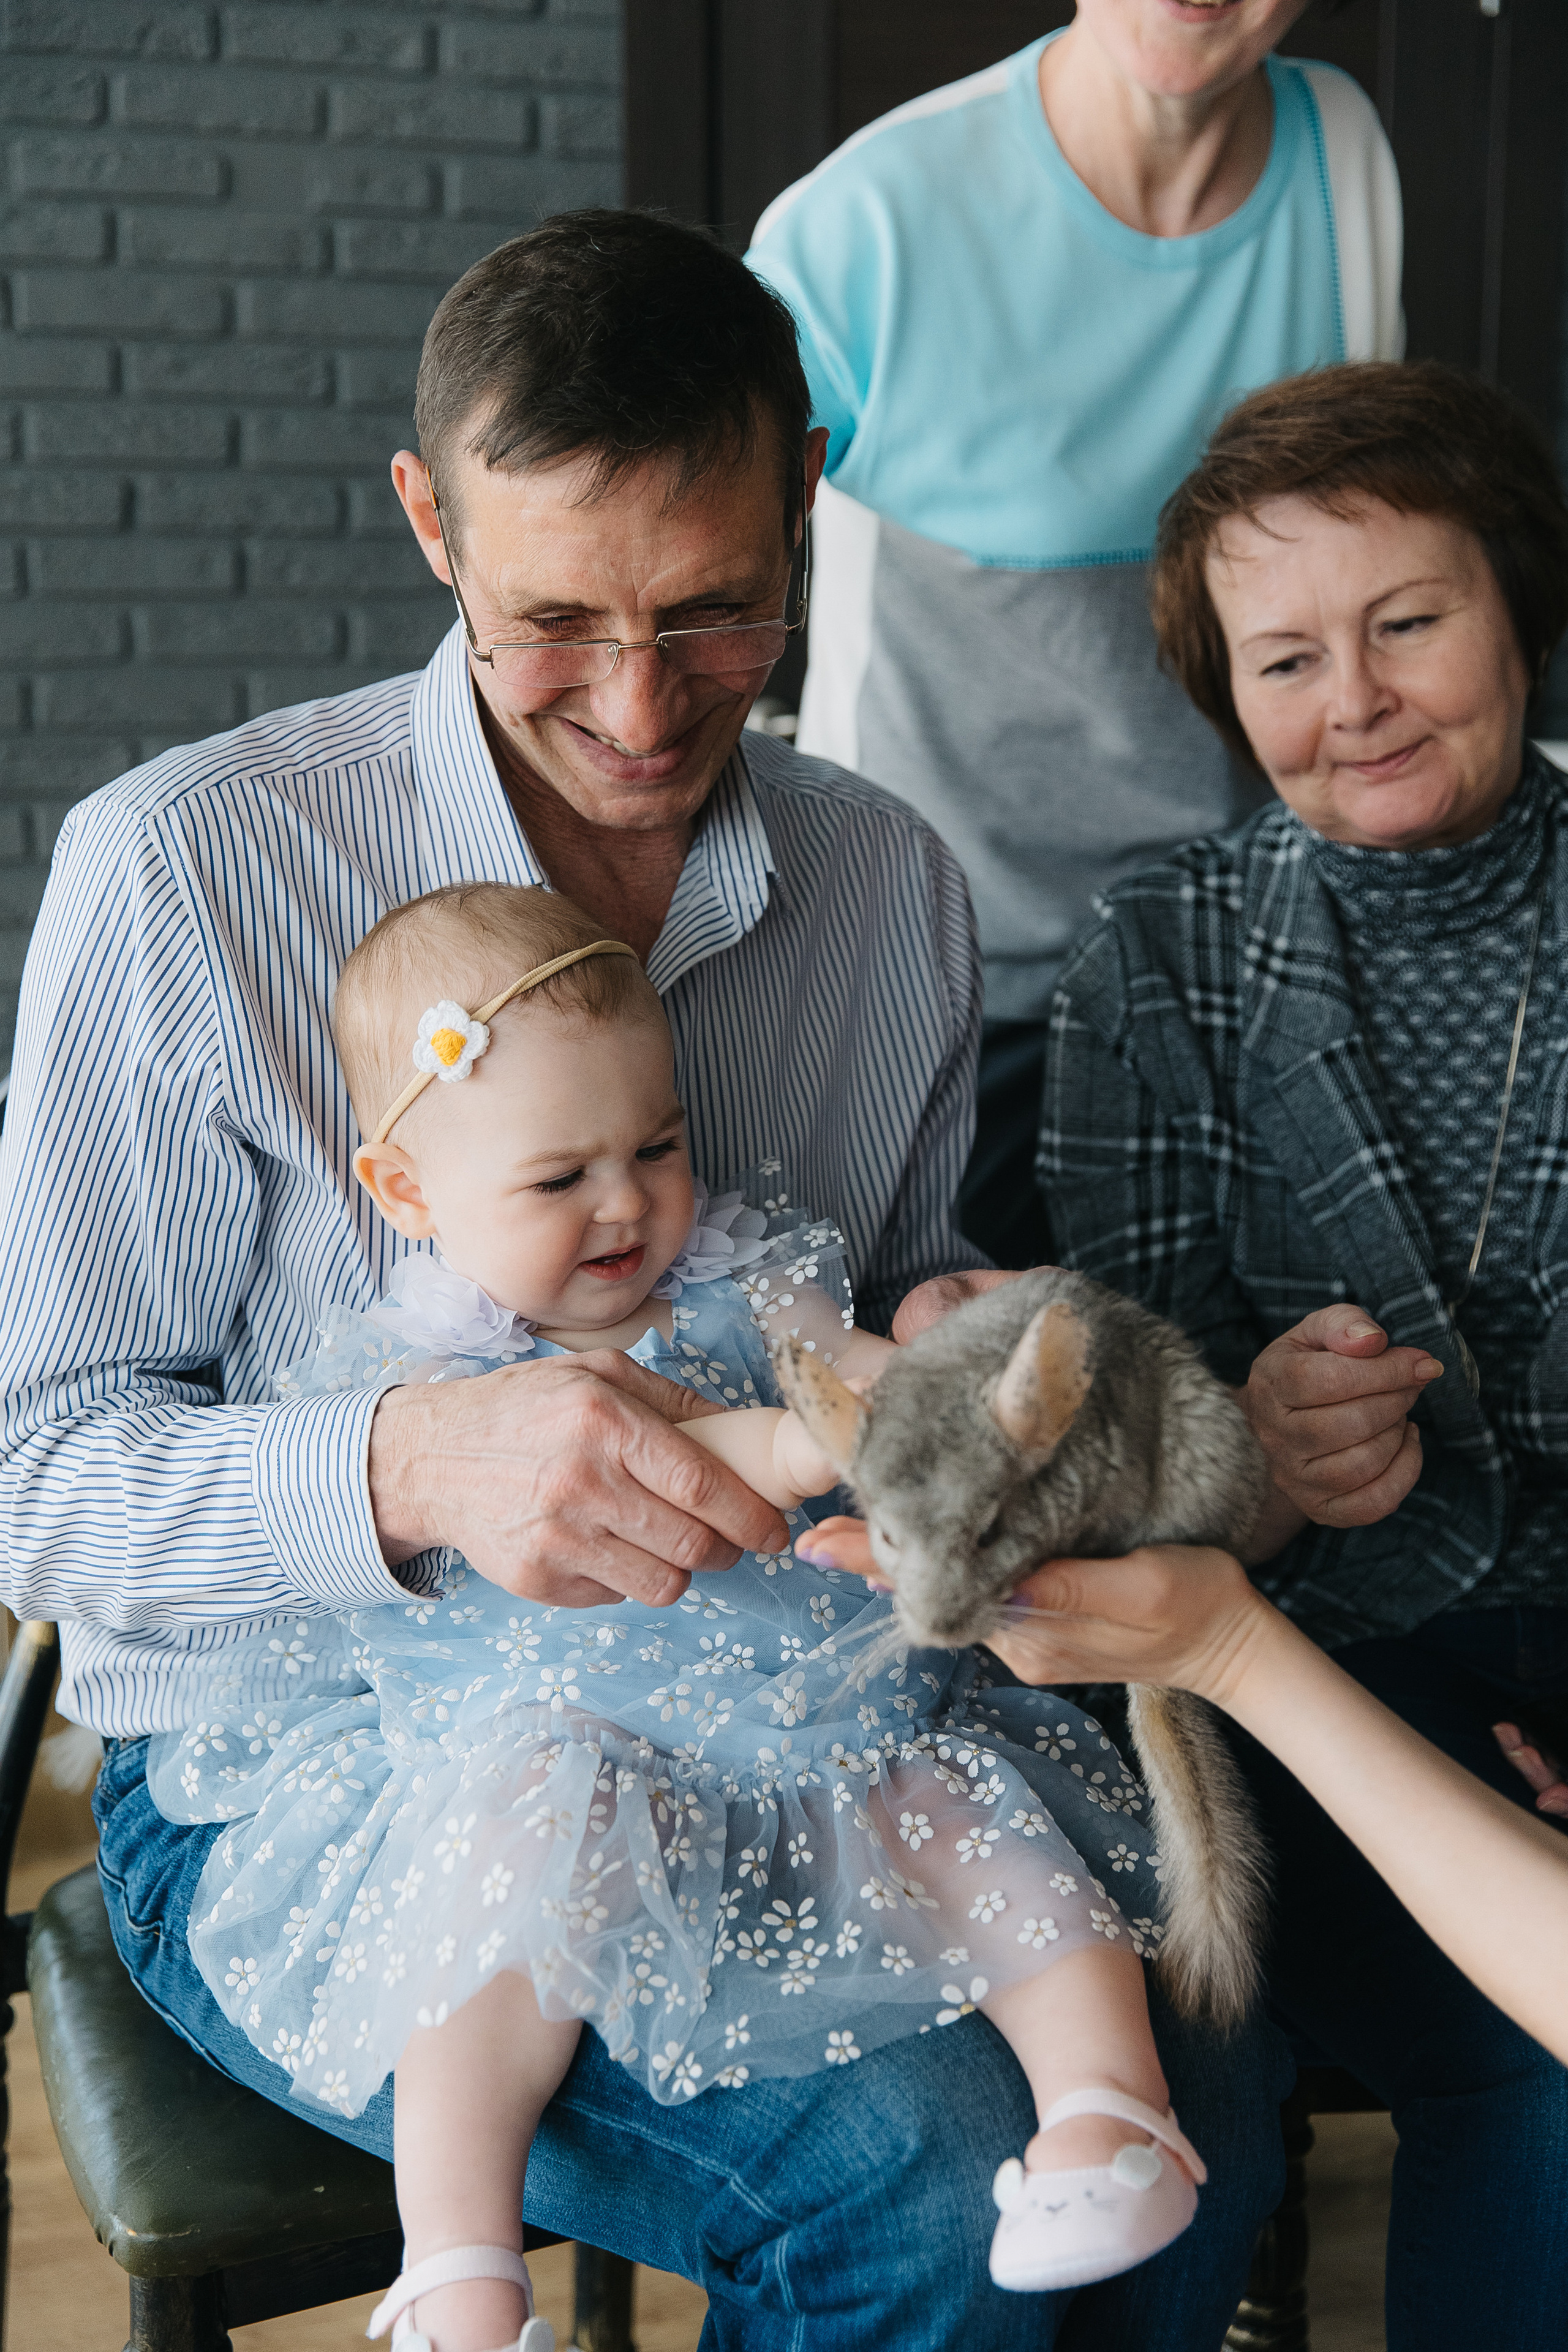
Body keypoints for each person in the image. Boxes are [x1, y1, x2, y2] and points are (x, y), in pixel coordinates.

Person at [0, 211, 1289, 2351]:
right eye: (552, 623)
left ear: (807, 495)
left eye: (712, 617)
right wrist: (416, 1460)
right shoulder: (186, 870)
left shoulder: (884, 884)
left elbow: (871, 1293)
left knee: (1211, 2064)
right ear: (431, 524)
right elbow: (32, 1474)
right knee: (904, 2185)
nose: (633, 704)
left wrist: (963, 1354)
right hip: (327, 1780)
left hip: (808, 1708)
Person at [155, 878, 1213, 2350]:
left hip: (815, 1732)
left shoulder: (747, 1277)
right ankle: (456, 2262)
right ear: (405, 1191)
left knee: (978, 1824)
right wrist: (803, 1445)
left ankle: (1111, 2117)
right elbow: (718, 1445)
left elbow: (853, 1375)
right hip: (566, 1755)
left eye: (653, 1146)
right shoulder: (420, 1371)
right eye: (557, 1177)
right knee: (494, 1910)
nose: (625, 1202)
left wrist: (957, 1384)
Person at [1028, 359, 1568, 2350]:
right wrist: (1249, 1444)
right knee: (1459, 2075)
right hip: (1293, 1683)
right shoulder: (1157, 957)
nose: (1355, 702)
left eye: (1410, 620)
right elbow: (1120, 1464)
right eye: (1283, 660)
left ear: (1515, 602)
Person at [746, 0, 1402, 1267]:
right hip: (955, 999)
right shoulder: (862, 225)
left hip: (1240, 978)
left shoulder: (1344, 152)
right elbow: (679, 576)